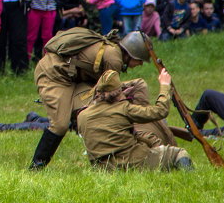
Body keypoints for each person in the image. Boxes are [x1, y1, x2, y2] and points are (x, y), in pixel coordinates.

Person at [28, 29, 152, 169]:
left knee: (87, 111)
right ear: (131, 55)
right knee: (60, 125)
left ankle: (103, 156)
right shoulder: (114, 59)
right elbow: (113, 97)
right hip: (54, 75)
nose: (140, 64)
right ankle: (36, 167)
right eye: (140, 60)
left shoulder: (112, 51)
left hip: (72, 79)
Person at [77, 68, 193, 171]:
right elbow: (160, 111)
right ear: (118, 93)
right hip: (131, 162)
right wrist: (164, 85)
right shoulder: (124, 109)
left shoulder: (82, 115)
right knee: (179, 153)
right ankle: (190, 180)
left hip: (102, 167)